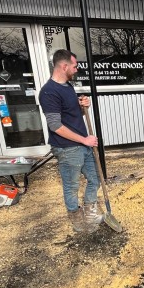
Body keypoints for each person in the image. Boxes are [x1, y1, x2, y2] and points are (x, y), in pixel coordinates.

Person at [39, 49, 104, 233]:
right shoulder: (49, 92)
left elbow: (71, 115)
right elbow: (55, 126)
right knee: (71, 186)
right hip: (67, 149)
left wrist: (82, 105)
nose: (76, 70)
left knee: (95, 178)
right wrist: (84, 139)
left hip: (83, 145)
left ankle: (90, 210)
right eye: (74, 66)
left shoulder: (67, 87)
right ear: (64, 66)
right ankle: (77, 220)